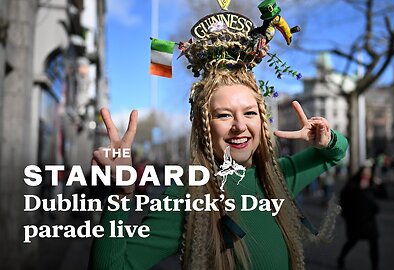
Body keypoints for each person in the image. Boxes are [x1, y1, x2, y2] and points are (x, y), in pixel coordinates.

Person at [89, 12, 348, 270]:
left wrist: (325, 139)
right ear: (204, 127)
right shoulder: (186, 196)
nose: (239, 126)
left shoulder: (277, 179)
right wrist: (121, 195)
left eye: (249, 113)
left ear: (262, 120)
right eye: (223, 115)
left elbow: (336, 151)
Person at [337, 166, 380, 270]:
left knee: (374, 244)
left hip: (369, 220)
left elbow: (383, 195)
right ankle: (341, 258)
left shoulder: (371, 183)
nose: (367, 175)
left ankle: (375, 267)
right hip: (355, 220)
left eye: (369, 173)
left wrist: (380, 184)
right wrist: (359, 189)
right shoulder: (353, 184)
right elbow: (344, 197)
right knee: (352, 241)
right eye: (365, 173)